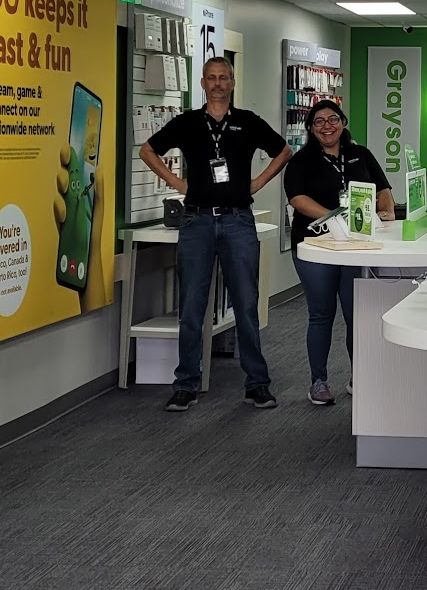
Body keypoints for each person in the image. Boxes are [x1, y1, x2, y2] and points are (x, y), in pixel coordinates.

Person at [138, 56, 290, 412]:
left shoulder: (248, 122)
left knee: (246, 304)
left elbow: (283, 151)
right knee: (192, 307)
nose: (218, 83)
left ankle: (257, 383)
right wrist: (177, 182)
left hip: (238, 221)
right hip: (197, 222)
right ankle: (186, 384)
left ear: (232, 82)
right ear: (203, 83)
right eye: (211, 78)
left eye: (224, 77)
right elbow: (147, 150)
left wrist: (257, 182)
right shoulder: (188, 123)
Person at [283, 99, 392, 405]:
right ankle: (318, 382)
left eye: (332, 119)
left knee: (356, 315)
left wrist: (385, 212)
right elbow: (297, 199)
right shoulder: (302, 161)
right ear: (311, 128)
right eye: (319, 121)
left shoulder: (360, 154)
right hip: (316, 246)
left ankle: (360, 375)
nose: (327, 126)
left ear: (343, 122)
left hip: (356, 248)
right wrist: (336, 218)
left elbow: (383, 189)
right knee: (321, 314)